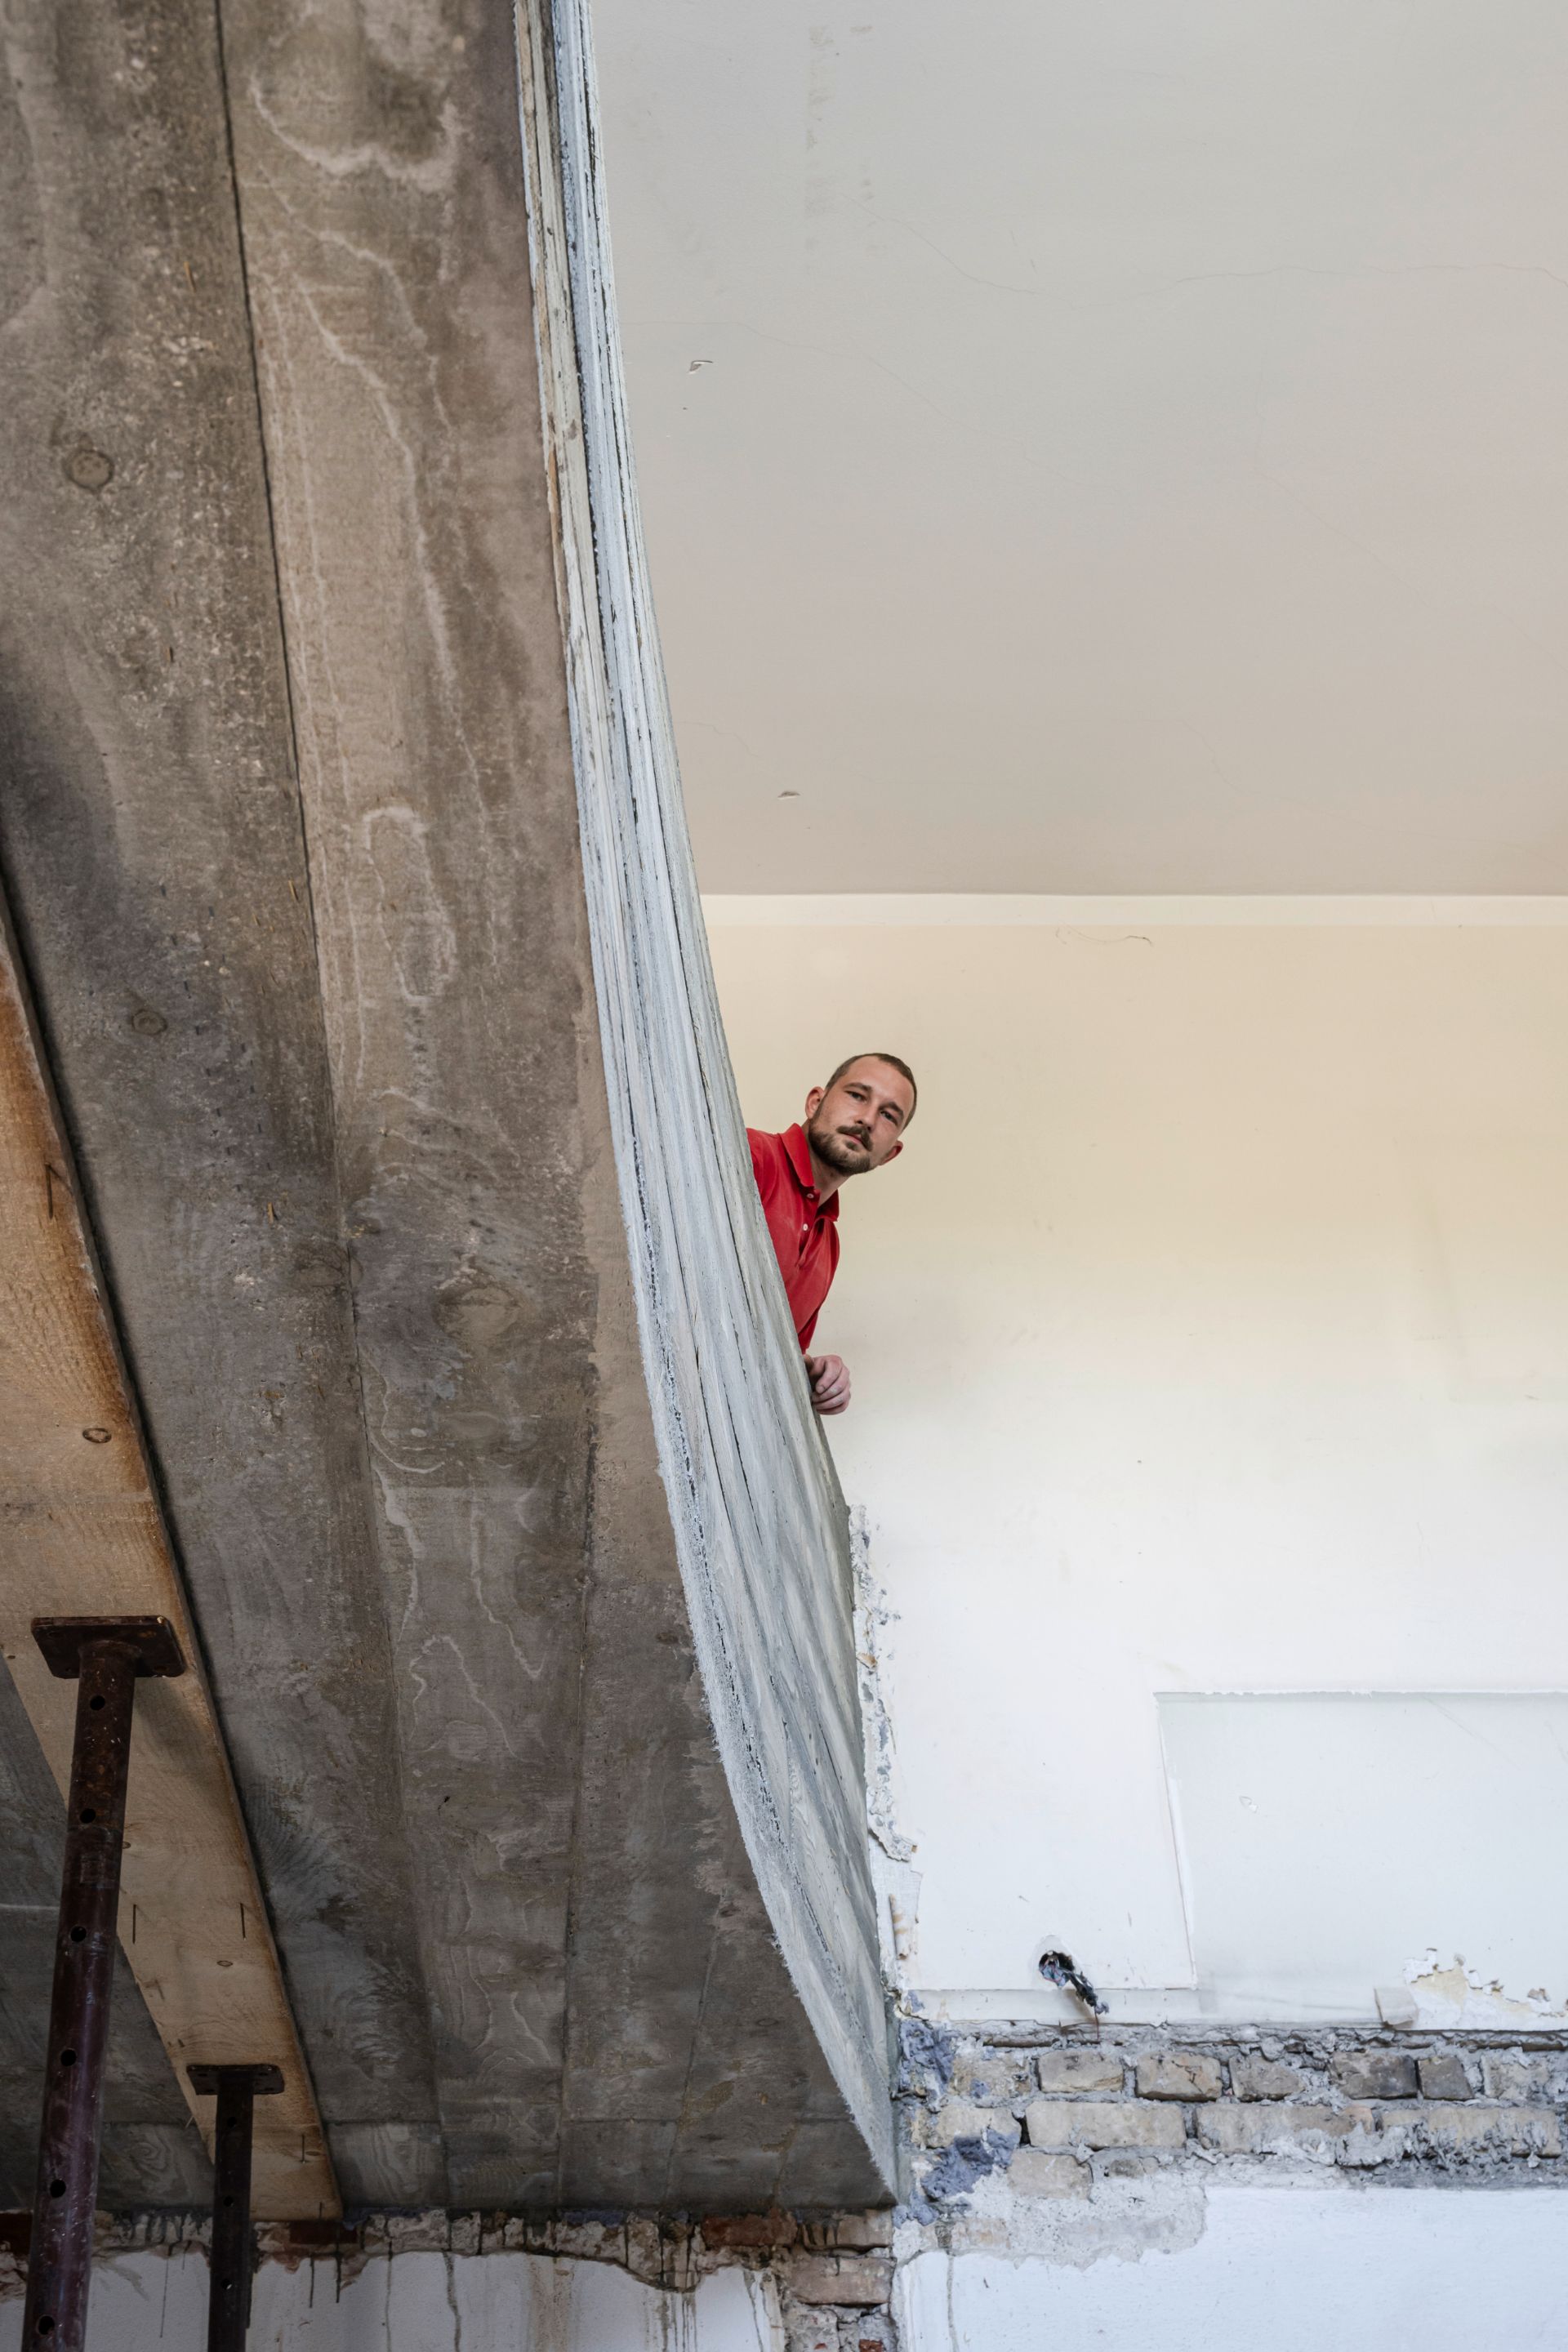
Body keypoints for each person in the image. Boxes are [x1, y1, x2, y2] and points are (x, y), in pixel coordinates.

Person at [747, 1052, 916, 1416]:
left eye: (888, 1115)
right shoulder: (750, 1157)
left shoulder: (829, 1245)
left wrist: (814, 1372)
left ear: (890, 1154)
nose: (867, 1119)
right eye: (857, 1095)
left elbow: (771, 1359)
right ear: (815, 1102)